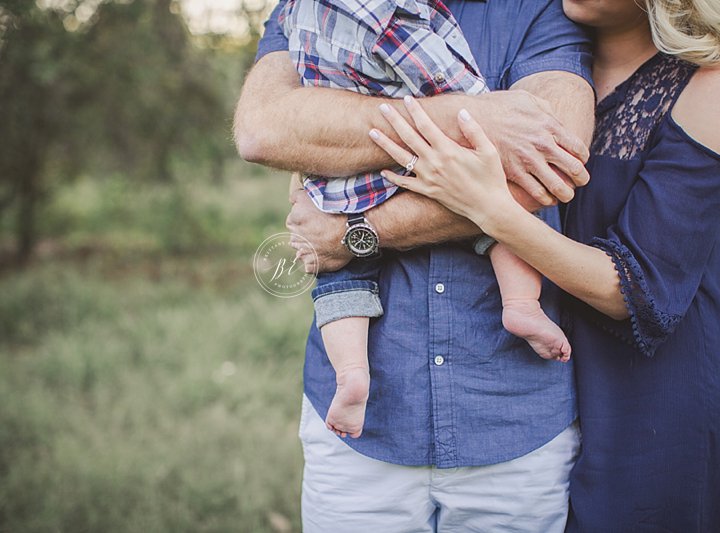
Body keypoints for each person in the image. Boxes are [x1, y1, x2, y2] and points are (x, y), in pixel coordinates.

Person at [366, 0, 720, 530]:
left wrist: (490, 209)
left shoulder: (712, 88)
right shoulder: (540, 69)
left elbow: (634, 288)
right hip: (557, 379)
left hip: (655, 394)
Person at [234, 0, 595, 530]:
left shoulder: (538, 8)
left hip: (511, 418)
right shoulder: (311, 6)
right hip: (363, 437)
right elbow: (265, 130)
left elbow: (549, 164)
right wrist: (467, 118)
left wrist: (356, 232)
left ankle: (520, 305)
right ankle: (355, 373)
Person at [278, 0, 570, 441]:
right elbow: (449, 83)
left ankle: (353, 373)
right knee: (497, 214)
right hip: (423, 161)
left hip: (340, 176)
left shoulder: (299, 10)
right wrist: (482, 110)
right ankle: (522, 305)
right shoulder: (387, 10)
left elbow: (293, 106)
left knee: (340, 276)